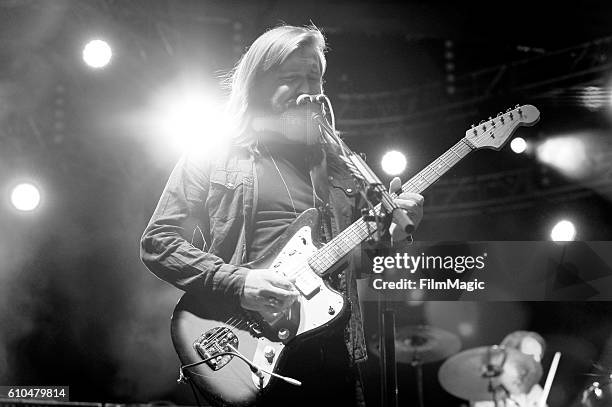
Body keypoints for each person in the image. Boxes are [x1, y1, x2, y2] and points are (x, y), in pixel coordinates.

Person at [140, 24, 424, 407]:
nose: (308, 89)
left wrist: (391, 236)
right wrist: (240, 282)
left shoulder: (340, 167)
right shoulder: (214, 153)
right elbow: (158, 243)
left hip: (335, 357)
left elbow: (358, 265)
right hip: (244, 349)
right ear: (257, 85)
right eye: (291, 78)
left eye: (314, 77)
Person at [472, 331, 547, 407]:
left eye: (539, 356)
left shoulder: (536, 391)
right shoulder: (489, 387)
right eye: (530, 355)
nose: (537, 361)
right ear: (510, 356)